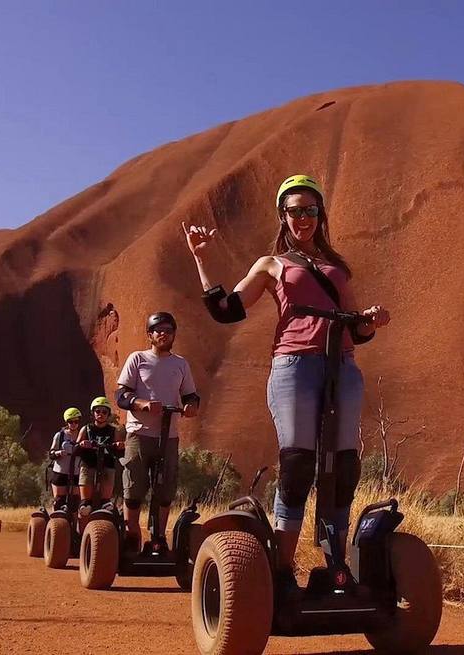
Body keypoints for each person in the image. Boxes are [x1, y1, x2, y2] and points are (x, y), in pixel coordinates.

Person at [182, 174, 390, 586]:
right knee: (298, 465)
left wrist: (372, 321)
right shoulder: (271, 265)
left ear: (320, 215)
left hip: (342, 366)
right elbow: (226, 310)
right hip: (294, 366)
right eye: (294, 210)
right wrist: (202, 260)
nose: (303, 218)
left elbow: (356, 331)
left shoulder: (337, 268)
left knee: (343, 465)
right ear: (283, 215)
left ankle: (336, 567)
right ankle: (281, 568)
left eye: (310, 210)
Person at [115, 311, 200, 553]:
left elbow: (190, 395)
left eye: (168, 331)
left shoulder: (180, 364)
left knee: (165, 488)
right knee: (134, 486)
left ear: (174, 335)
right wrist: (140, 404)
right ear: (150, 335)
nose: (163, 334)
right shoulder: (137, 359)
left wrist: (192, 406)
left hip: (169, 435)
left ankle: (159, 537)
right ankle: (132, 534)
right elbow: (121, 395)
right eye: (158, 330)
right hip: (139, 433)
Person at [76, 397, 124, 527]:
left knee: (106, 505)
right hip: (88, 465)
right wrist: (81, 444)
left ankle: (105, 531)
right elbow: (76, 448)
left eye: (104, 412)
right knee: (85, 507)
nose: (101, 414)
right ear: (93, 413)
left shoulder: (113, 430)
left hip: (107, 466)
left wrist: (120, 445)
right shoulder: (86, 429)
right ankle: (82, 534)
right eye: (98, 411)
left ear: (108, 414)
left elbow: (120, 449)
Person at [47, 407, 82, 510]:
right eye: (71, 422)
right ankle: (55, 524)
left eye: (76, 421)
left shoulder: (83, 435)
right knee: (59, 501)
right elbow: (51, 453)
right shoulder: (60, 435)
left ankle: (76, 525)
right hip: (60, 472)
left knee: (75, 502)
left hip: (76, 473)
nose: (74, 424)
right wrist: (58, 453)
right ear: (67, 422)